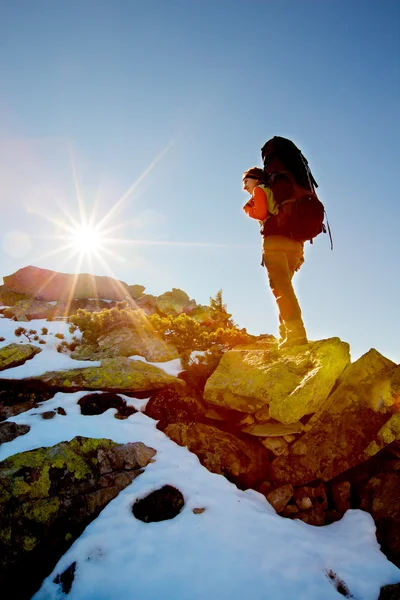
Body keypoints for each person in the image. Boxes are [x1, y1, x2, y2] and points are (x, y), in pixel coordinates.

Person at [242, 166, 307, 349]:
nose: (244, 187)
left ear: (255, 179)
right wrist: (300, 254)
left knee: (280, 288)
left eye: (246, 181)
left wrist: (248, 209)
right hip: (295, 245)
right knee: (285, 288)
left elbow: (261, 213)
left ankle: (295, 334)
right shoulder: (283, 194)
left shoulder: (260, 189)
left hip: (275, 242)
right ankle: (287, 335)